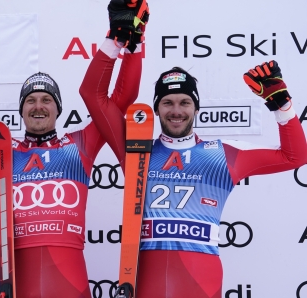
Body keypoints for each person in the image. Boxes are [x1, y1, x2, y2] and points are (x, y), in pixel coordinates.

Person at [0, 2, 148, 297]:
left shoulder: (79, 145)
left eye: (46, 99)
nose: (38, 106)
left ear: (57, 109)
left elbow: (120, 98)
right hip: (19, 287)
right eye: (31, 100)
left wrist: (124, 41)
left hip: (73, 287)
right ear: (21, 110)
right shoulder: (1, 152)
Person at [80, 13, 307, 296]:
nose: (176, 110)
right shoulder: (137, 151)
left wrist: (281, 105)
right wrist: (126, 43)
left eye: (185, 102)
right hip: (147, 283)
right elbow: (93, 95)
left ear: (196, 107)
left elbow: (295, 157)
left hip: (201, 283)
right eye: (168, 102)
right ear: (157, 109)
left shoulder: (222, 156)